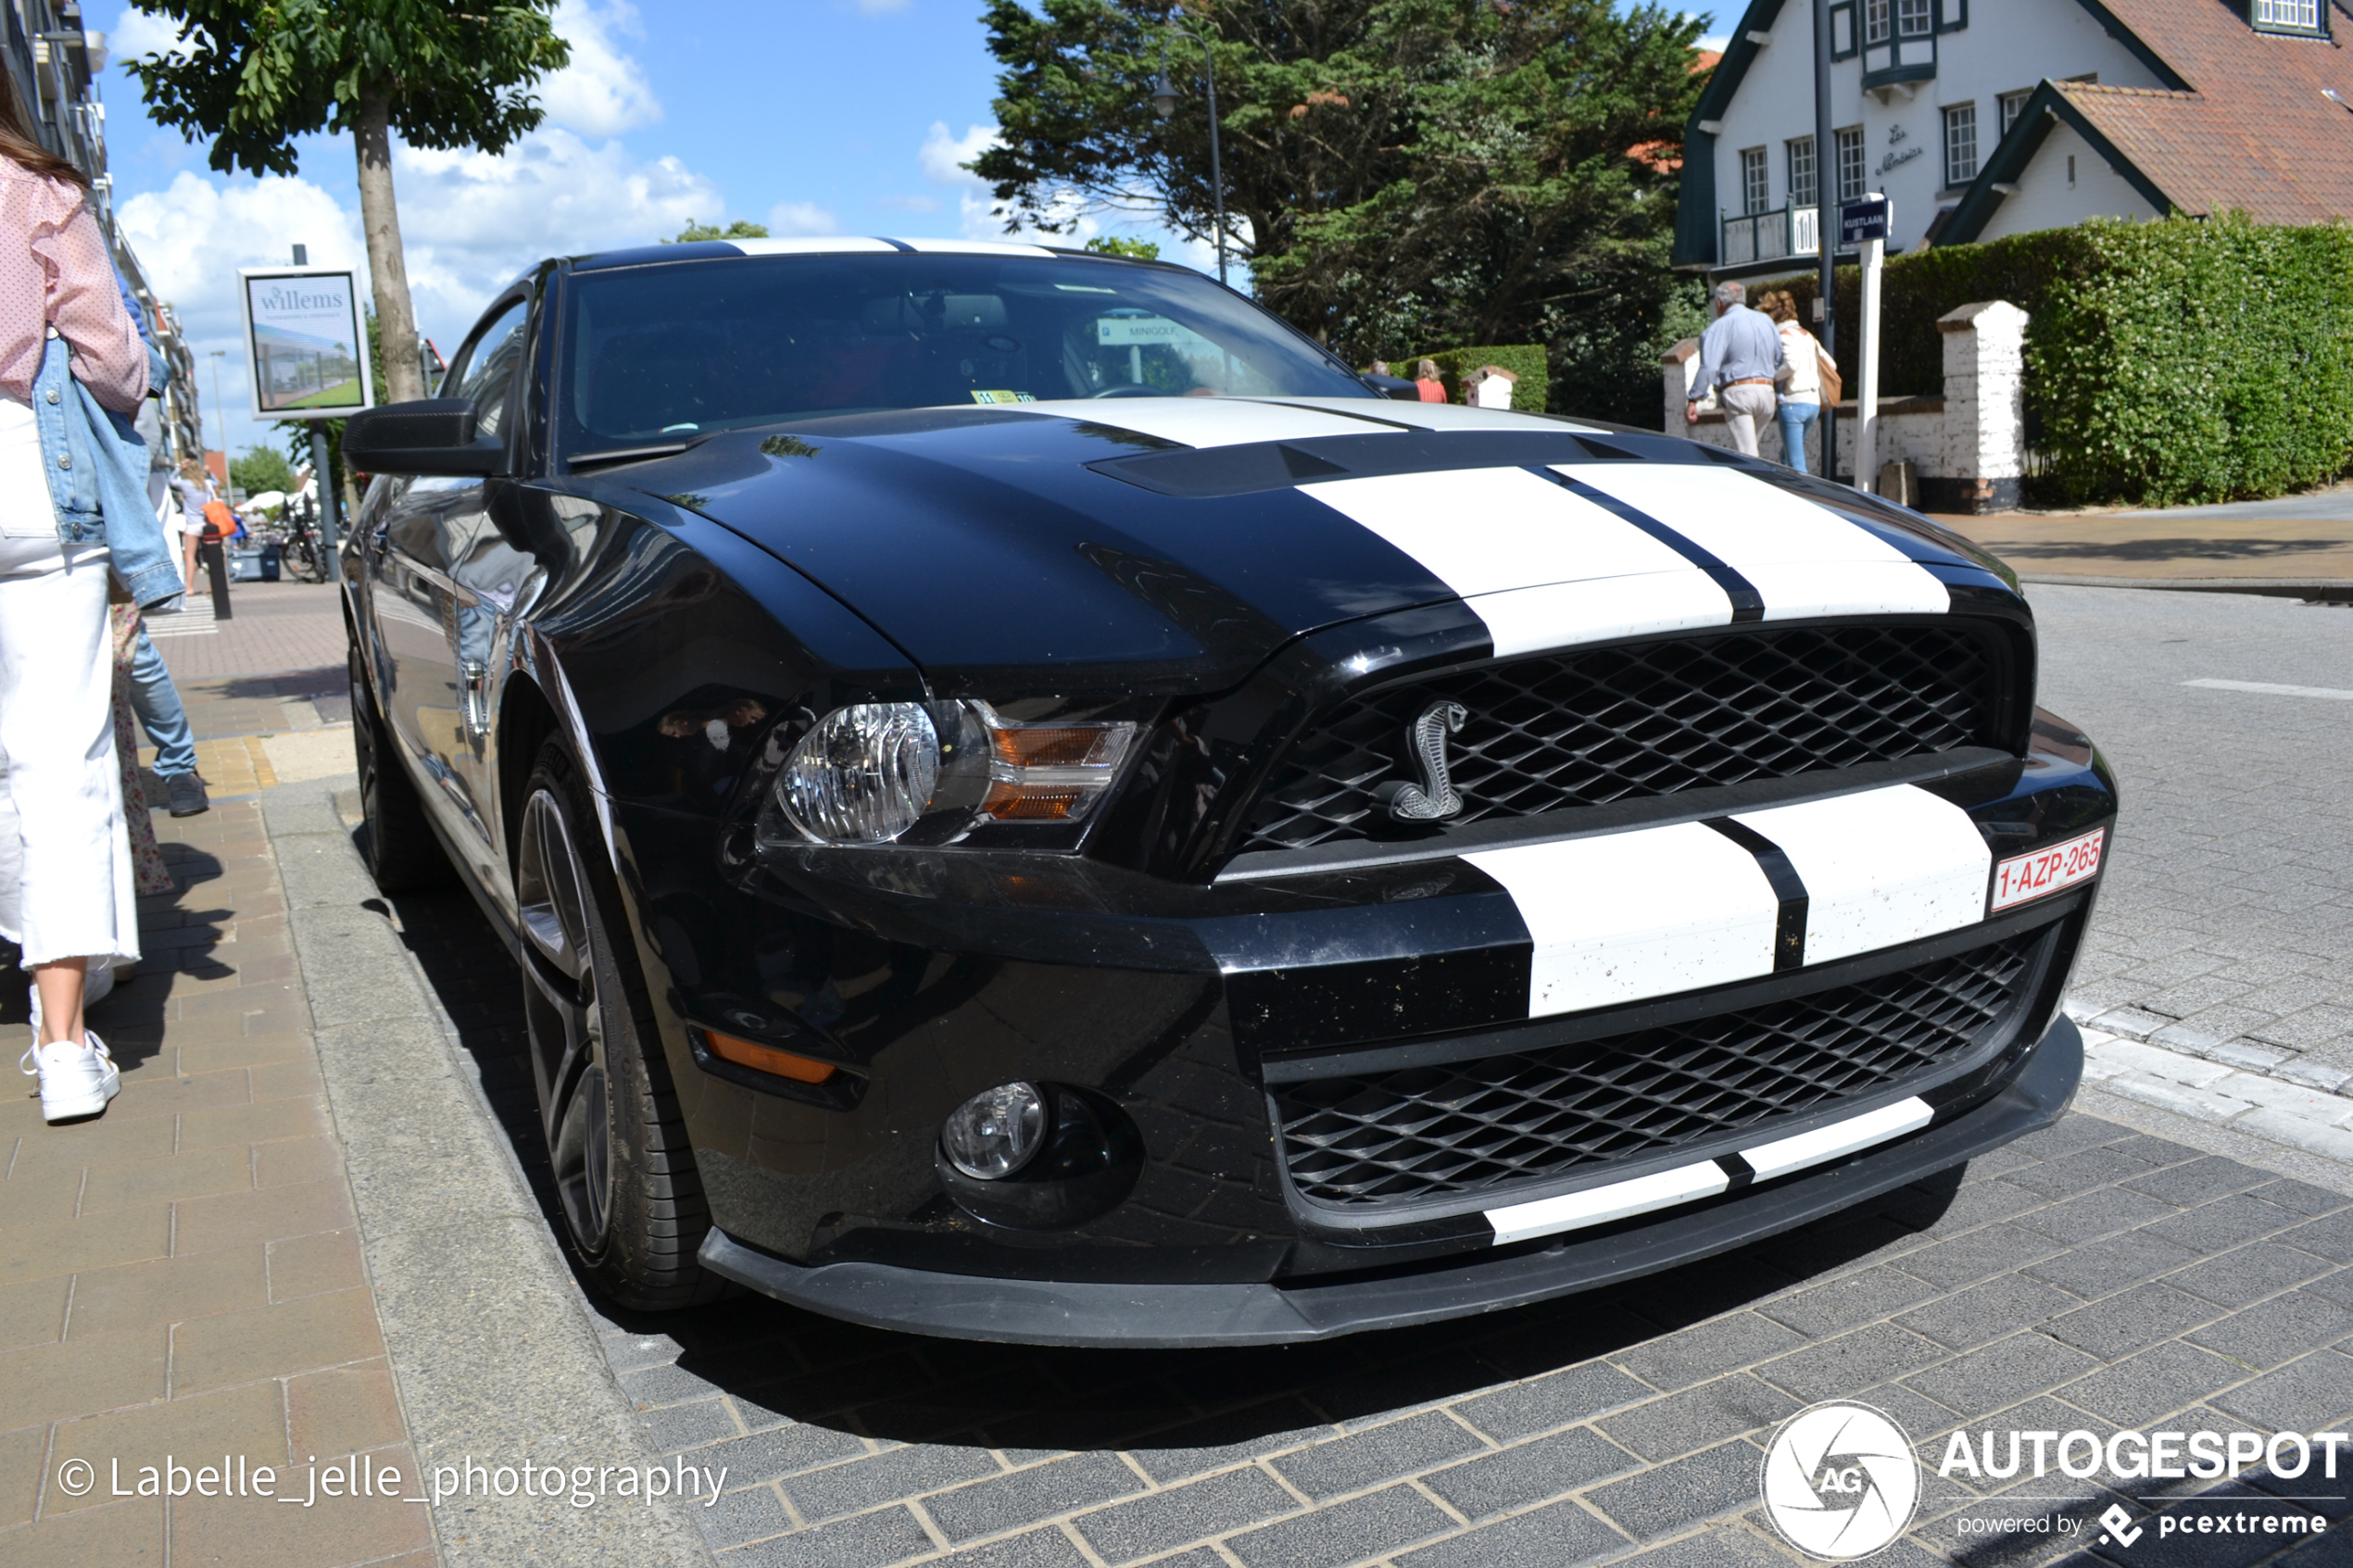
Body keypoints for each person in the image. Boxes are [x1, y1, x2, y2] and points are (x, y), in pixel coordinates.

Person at [0, 72, 157, 1123]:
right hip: (25, 484)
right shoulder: (34, 188)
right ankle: (63, 1045)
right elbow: (113, 359)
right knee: (56, 754)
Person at [1684, 280, 1783, 457]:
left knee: (1747, 454)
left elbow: (1709, 367)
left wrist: (1694, 399)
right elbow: (1779, 357)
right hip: (1767, 393)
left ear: (1720, 303)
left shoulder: (1719, 327)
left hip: (1739, 393)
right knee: (1751, 450)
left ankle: (1752, 483)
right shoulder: (1766, 320)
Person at [1762, 290, 1835, 476]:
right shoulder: (1807, 335)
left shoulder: (1784, 336)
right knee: (1786, 456)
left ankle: (1806, 498)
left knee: (1796, 464)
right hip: (1813, 404)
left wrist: (1770, 377)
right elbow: (1831, 364)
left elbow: (1790, 365)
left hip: (1793, 403)